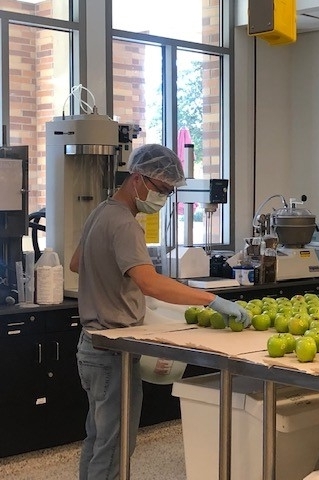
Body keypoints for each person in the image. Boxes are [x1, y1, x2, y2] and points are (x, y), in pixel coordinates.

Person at [69, 143, 249, 480]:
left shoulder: (101, 213)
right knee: (115, 444)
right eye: (162, 189)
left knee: (98, 438)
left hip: (89, 346)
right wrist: (210, 300)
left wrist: (118, 283)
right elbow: (151, 284)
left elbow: (78, 263)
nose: (163, 198)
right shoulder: (125, 224)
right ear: (138, 179)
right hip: (112, 351)